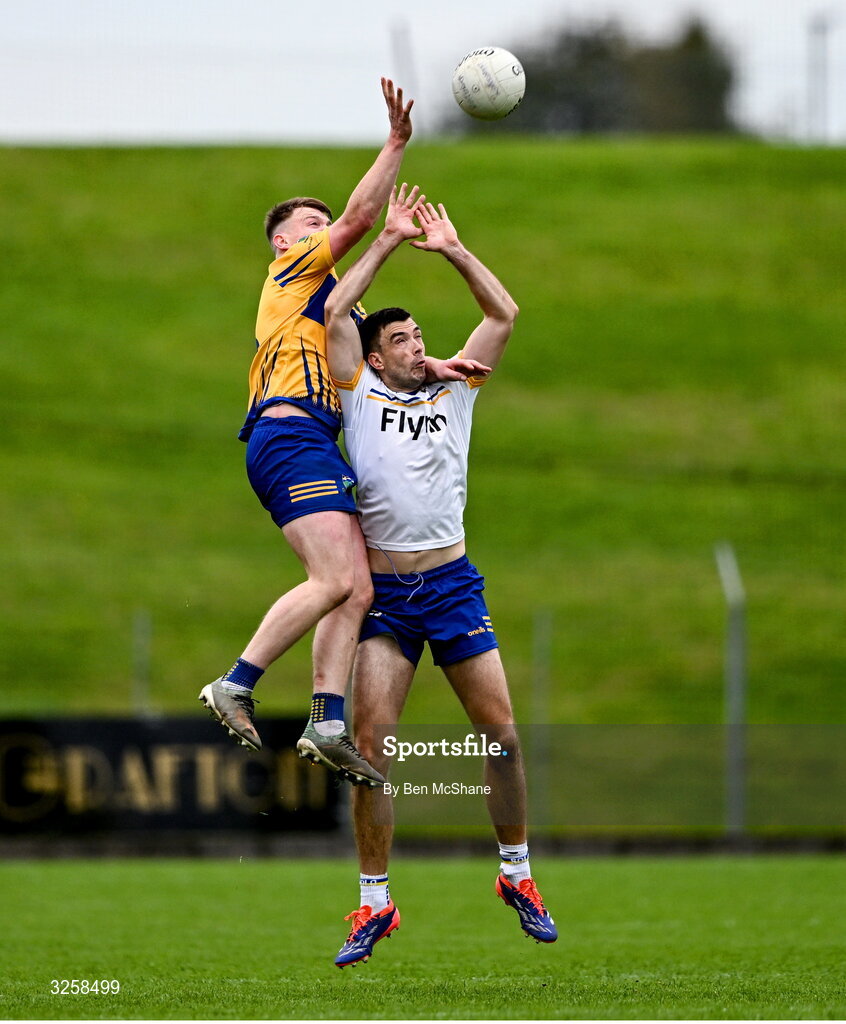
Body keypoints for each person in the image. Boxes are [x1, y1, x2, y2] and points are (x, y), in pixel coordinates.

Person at [199, 80, 479, 787]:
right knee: (333, 579)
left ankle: (326, 721)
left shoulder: (327, 309)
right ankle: (235, 682)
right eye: (312, 226)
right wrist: (394, 146)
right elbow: (356, 220)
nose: (324, 233)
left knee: (357, 589)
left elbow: (372, 354)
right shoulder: (290, 270)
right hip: (289, 435)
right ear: (288, 241)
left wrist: (432, 365)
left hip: (313, 442)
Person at [323, 184, 558, 967]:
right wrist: (385, 240)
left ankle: (517, 875)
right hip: (388, 598)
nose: (418, 344)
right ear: (378, 352)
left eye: (421, 333)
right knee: (369, 745)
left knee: (502, 736)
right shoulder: (358, 393)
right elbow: (334, 316)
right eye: (403, 338)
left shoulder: (457, 385)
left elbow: (504, 316)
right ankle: (374, 903)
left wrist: (453, 249)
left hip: (452, 585)